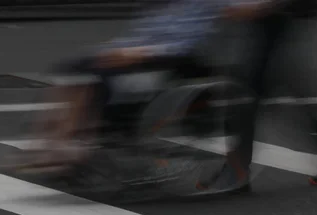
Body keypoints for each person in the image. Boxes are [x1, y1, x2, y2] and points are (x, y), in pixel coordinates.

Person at [20, 0, 261, 169]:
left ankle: (75, 140)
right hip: (145, 52)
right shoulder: (161, 6)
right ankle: (55, 140)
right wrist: (117, 47)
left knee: (99, 73)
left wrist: (140, 51)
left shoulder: (202, 6)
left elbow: (187, 43)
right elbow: (142, 32)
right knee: (74, 66)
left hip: (175, 59)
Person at [197, 0, 317, 193]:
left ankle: (237, 170)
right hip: (268, 16)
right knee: (278, 83)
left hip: (277, 12)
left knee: (251, 90)